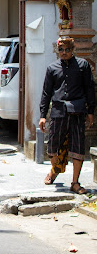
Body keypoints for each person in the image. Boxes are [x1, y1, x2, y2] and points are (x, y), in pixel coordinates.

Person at [39, 37, 95, 194]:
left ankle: (75, 182)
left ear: (73, 49)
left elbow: (89, 89)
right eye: (61, 50)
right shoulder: (52, 68)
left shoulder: (83, 65)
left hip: (77, 110)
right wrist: (42, 115)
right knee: (52, 147)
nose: (64, 52)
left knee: (78, 146)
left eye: (67, 49)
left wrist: (90, 112)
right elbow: (46, 92)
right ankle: (55, 170)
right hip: (58, 111)